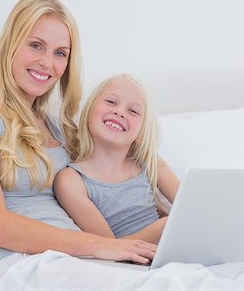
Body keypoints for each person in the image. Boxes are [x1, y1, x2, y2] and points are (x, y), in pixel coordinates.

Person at [0, 0, 156, 288]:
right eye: (36, 45)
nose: (47, 63)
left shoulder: (58, 127)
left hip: (75, 260)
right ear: (11, 44)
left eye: (60, 53)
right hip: (18, 265)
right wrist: (96, 245)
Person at [54, 74, 180, 245]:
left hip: (173, 248)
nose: (119, 112)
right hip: (129, 264)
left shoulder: (149, 162)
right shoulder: (71, 181)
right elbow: (108, 248)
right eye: (111, 102)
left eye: (133, 111)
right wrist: (161, 228)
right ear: (90, 111)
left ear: (141, 134)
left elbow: (192, 207)